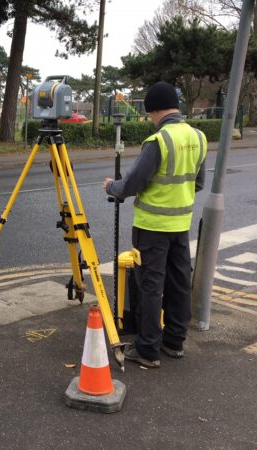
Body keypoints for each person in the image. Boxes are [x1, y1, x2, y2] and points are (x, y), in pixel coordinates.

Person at [103, 81, 206, 369]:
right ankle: (174, 342)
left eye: (149, 113)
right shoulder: (198, 137)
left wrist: (112, 187)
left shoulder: (159, 141)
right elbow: (198, 183)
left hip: (151, 227)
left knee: (150, 286)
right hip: (180, 225)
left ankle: (147, 348)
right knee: (179, 282)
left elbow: (133, 183)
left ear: (155, 110)